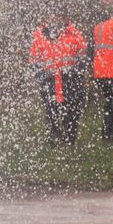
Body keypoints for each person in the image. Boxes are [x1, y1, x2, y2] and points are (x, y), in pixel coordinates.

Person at [29, 17, 88, 145]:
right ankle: (54, 138)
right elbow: (34, 62)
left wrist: (75, 72)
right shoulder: (39, 36)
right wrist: (42, 77)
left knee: (72, 111)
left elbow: (83, 58)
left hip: (70, 80)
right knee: (51, 111)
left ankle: (69, 139)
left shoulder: (74, 34)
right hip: (49, 82)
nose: (54, 17)